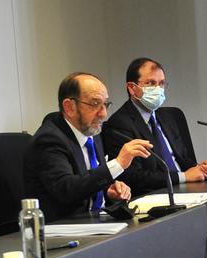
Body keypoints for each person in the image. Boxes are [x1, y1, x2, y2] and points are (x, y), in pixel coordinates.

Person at [23, 72, 153, 221]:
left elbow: (86, 181)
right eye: (95, 104)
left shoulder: (91, 131)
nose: (103, 114)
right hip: (64, 228)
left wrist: (108, 190)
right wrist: (117, 164)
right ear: (69, 107)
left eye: (106, 104)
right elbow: (67, 190)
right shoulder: (49, 140)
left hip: (95, 220)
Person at [103, 57, 207, 195]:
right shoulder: (120, 124)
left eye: (161, 84)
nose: (157, 89)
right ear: (132, 88)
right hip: (155, 195)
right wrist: (184, 177)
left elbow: (182, 158)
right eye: (150, 83)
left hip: (187, 190)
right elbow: (134, 177)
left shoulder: (169, 117)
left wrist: (199, 169)